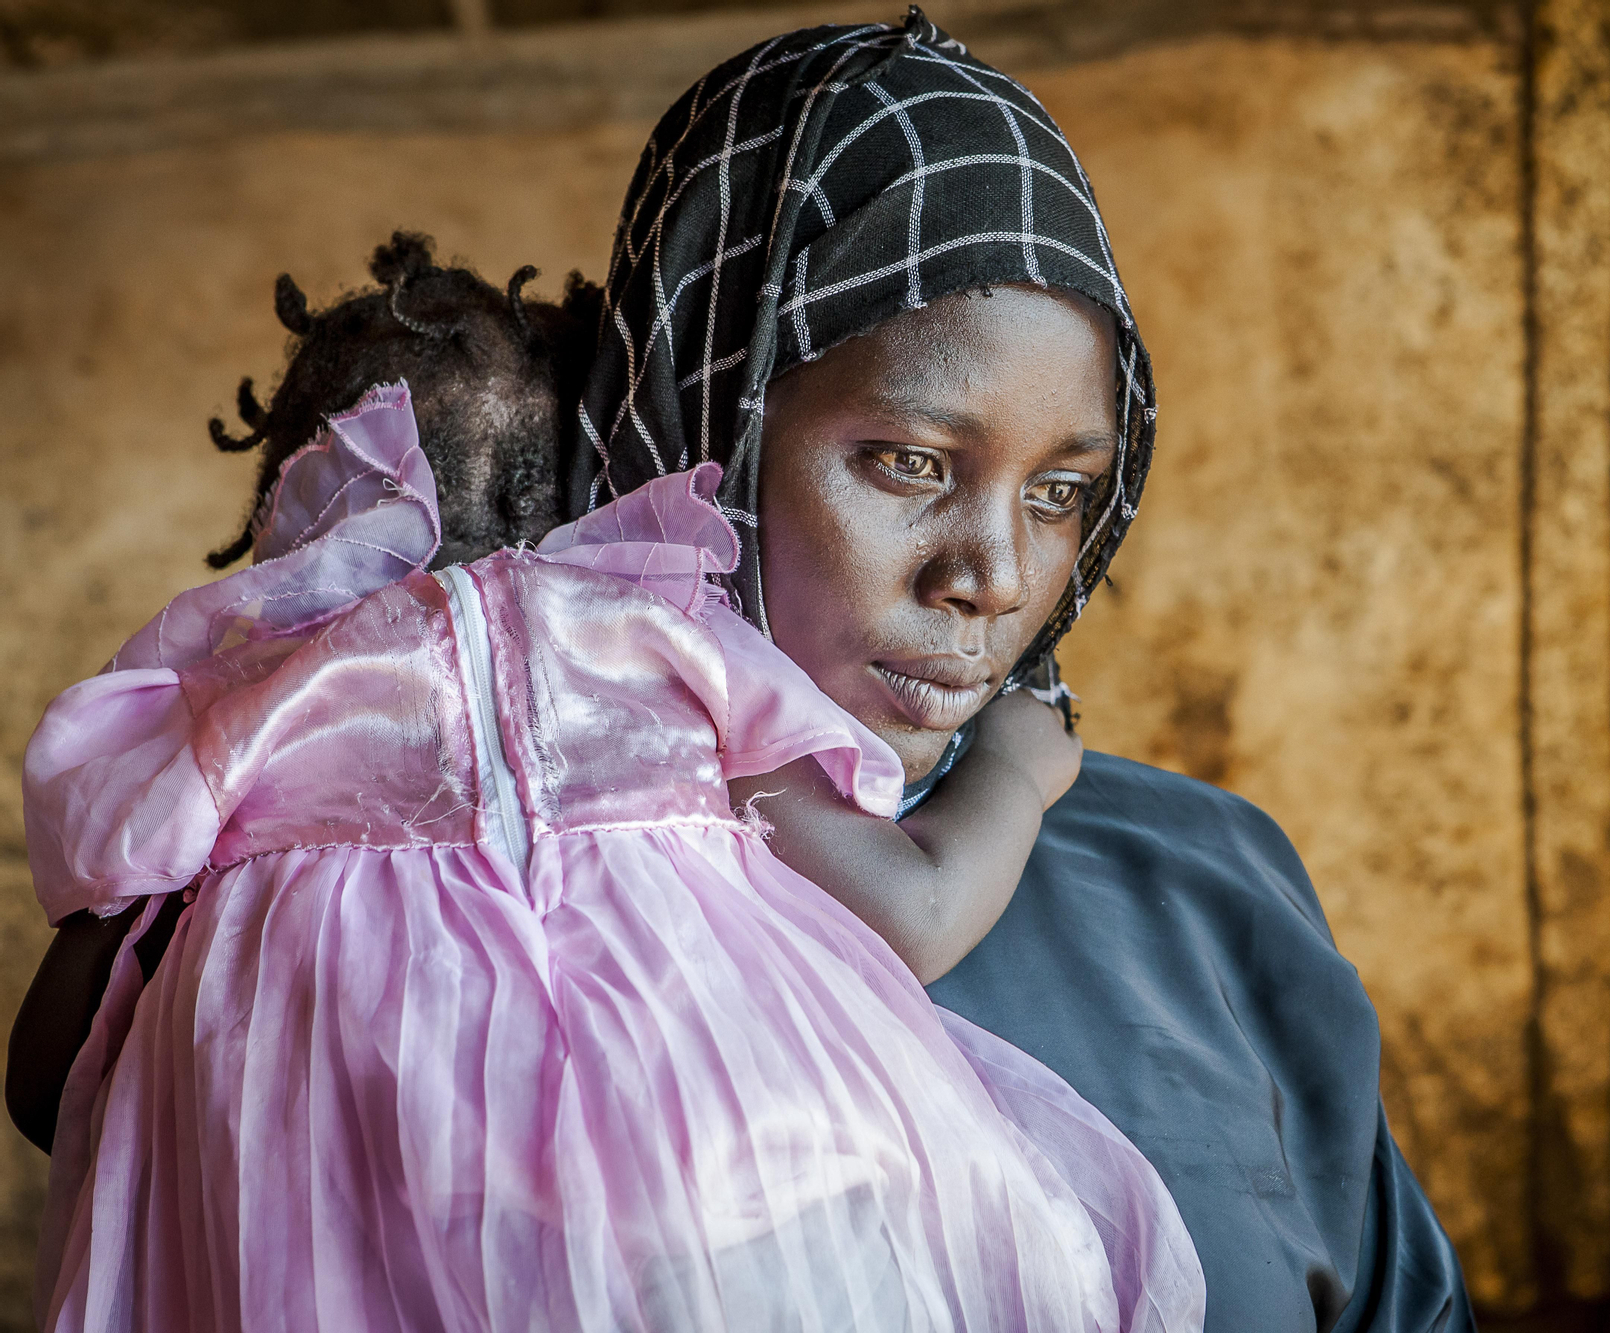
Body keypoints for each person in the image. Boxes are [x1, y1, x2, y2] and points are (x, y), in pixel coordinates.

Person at [15, 233, 1201, 1329]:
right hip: (726, 1215)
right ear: (598, 486)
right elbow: (919, 902)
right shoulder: (654, 640)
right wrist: (1020, 761)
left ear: (291, 504)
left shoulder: (242, 707)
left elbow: (43, 1067)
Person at [565, 10, 1474, 1330]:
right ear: (706, 408)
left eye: (1061, 491)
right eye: (910, 462)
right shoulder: (474, 939)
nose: (990, 575)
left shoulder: (1207, 883)